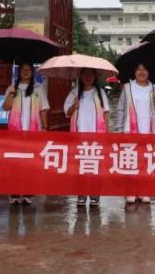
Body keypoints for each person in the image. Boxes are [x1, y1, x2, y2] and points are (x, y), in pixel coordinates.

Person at [117, 63, 155, 204]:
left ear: (149, 72)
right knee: (131, 160)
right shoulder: (128, 88)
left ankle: (144, 190)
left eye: (145, 69)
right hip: (130, 131)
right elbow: (121, 109)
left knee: (146, 162)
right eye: (138, 69)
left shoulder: (154, 89)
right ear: (134, 71)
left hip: (149, 132)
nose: (141, 72)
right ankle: (131, 190)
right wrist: (119, 130)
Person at [3, 62, 49, 205]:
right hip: (15, 132)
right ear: (19, 72)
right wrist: (11, 94)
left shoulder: (38, 88)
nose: (26, 72)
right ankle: (14, 193)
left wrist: (45, 127)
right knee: (14, 163)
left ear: (32, 72)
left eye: (29, 70)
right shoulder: (12, 87)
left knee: (30, 163)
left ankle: (28, 193)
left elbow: (43, 109)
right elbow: (6, 107)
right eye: (23, 70)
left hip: (33, 132)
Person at [64, 67, 110, 207]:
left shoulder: (100, 93)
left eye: (91, 74)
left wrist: (107, 134)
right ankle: (81, 194)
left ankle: (95, 194)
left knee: (95, 165)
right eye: (85, 74)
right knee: (80, 166)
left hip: (97, 136)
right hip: (79, 136)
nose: (88, 77)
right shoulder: (74, 93)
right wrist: (74, 105)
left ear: (95, 77)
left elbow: (106, 114)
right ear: (81, 76)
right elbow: (67, 113)